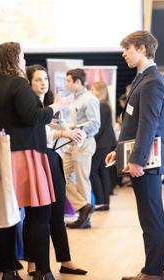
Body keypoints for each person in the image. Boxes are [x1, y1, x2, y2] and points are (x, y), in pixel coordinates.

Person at [0, 42, 72, 280]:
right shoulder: (18, 83)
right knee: (39, 215)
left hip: (2, 155)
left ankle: (8, 270)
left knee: (8, 216)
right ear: (13, 58)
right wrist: (56, 106)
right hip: (26, 156)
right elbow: (34, 117)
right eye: (22, 57)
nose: (24, 61)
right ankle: (42, 271)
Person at [105, 30, 164, 280]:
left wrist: (136, 161)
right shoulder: (144, 78)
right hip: (139, 159)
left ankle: (154, 272)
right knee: (148, 217)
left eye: (128, 49)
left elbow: (148, 125)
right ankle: (150, 269)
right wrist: (118, 153)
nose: (124, 54)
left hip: (146, 163)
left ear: (142, 48)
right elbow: (133, 125)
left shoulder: (152, 80)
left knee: (152, 218)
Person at [25, 64, 88, 276]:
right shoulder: (29, 106)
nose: (43, 83)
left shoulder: (51, 104)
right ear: (28, 83)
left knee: (57, 213)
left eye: (45, 79)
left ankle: (65, 260)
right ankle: (33, 263)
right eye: (37, 80)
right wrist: (63, 134)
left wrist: (71, 132)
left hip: (54, 159)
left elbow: (60, 129)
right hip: (36, 161)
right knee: (36, 215)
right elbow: (39, 135)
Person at [63, 68, 101, 229]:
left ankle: (84, 219)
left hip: (84, 143)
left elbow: (95, 124)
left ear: (78, 82)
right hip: (70, 144)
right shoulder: (72, 99)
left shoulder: (90, 99)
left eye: (68, 81)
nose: (66, 84)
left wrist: (76, 128)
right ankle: (83, 206)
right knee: (60, 176)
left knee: (81, 180)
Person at [89, 81, 117, 211]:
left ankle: (101, 201)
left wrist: (89, 138)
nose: (91, 91)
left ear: (99, 91)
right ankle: (105, 202)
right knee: (103, 171)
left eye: (93, 89)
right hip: (106, 142)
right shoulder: (106, 105)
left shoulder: (101, 105)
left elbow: (98, 128)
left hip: (101, 143)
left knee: (93, 171)